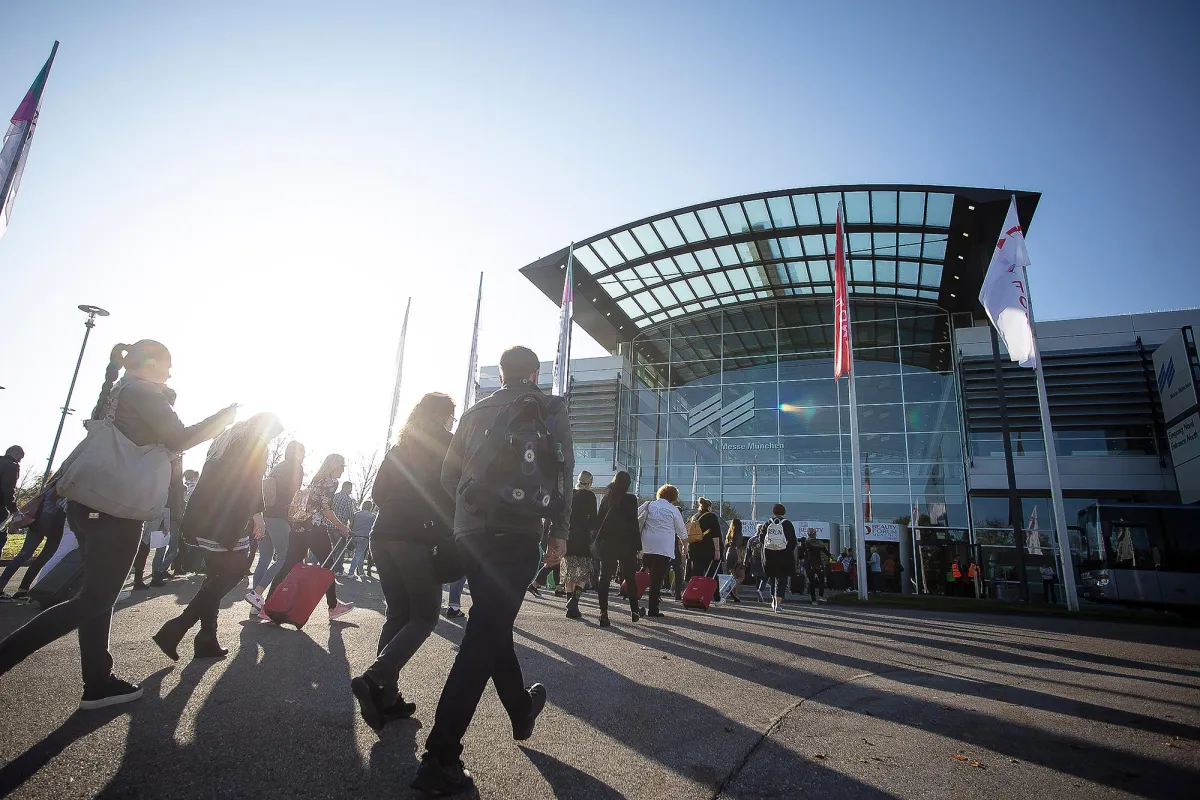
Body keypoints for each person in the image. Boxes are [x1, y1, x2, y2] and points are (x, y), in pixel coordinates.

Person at [0, 341, 235, 709]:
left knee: (98, 596)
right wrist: (223, 417)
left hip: (88, 504)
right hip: (116, 509)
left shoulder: (119, 392)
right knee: (95, 597)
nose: (171, 374)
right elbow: (180, 437)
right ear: (152, 363)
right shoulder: (143, 391)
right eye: (168, 366)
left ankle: (98, 680)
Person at [413, 346, 572, 796]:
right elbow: (564, 471)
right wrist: (559, 533)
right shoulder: (550, 406)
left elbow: (447, 475)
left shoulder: (475, 411)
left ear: (501, 374)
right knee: (484, 634)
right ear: (535, 373)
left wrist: (467, 512)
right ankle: (440, 756)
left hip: (471, 534)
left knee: (491, 624)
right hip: (516, 532)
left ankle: (521, 711)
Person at [352, 392, 456, 731]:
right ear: (444, 416)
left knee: (397, 614)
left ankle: (387, 697)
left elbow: (378, 494)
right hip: (418, 538)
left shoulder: (398, 449)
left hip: (382, 535)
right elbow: (456, 492)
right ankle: (375, 678)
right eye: (451, 416)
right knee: (425, 616)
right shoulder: (449, 446)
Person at [153, 413, 283, 661]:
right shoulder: (255, 442)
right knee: (233, 573)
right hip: (227, 519)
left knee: (215, 576)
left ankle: (206, 638)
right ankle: (178, 627)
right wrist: (258, 515)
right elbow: (251, 480)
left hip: (206, 515)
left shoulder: (226, 439)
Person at [265, 453, 355, 620]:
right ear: (334, 466)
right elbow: (325, 509)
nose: (343, 470)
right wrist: (342, 526)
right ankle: (333, 607)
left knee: (289, 565)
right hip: (315, 529)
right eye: (342, 466)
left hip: (299, 528)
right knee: (328, 564)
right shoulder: (331, 482)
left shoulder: (316, 481)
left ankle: (268, 605)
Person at [246, 439, 305, 613]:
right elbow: (295, 494)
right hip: (280, 517)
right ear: (297, 452)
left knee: (264, 558)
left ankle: (255, 604)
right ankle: (257, 593)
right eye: (303, 452)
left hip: (266, 515)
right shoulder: (296, 467)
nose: (303, 456)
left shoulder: (277, 466)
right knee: (283, 558)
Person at [592, 471, 642, 626]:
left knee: (605, 578)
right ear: (627, 485)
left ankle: (603, 612)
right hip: (626, 544)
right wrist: (638, 546)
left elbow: (598, 521)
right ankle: (634, 610)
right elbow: (634, 524)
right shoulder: (631, 499)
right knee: (630, 577)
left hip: (608, 543)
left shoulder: (607, 499)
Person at [0, 487, 67, 601]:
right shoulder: (66, 485)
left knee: (24, 554)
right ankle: (23, 590)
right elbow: (62, 504)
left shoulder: (52, 484)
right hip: (54, 524)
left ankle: (2, 585)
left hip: (37, 521)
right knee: (44, 557)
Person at [637, 484, 689, 618]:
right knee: (656, 579)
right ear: (673, 497)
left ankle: (633, 600)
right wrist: (685, 547)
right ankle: (653, 610)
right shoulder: (673, 510)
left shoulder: (649, 504)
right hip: (663, 548)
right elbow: (682, 532)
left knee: (644, 574)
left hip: (647, 545)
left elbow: (635, 515)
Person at [562, 471, 597, 619]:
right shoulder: (590, 496)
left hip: (568, 535)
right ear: (589, 483)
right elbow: (594, 519)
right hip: (582, 536)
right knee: (584, 572)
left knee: (569, 571)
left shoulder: (570, 493)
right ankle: (574, 601)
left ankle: (570, 608)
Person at [758, 505, 797, 613]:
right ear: (784, 512)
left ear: (773, 512)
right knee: (782, 580)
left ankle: (773, 602)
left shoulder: (767, 523)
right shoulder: (787, 524)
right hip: (783, 556)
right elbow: (793, 541)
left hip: (769, 556)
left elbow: (761, 539)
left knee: (773, 578)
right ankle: (778, 605)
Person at [686, 498, 723, 605]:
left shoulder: (694, 517)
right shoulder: (711, 516)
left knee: (696, 574)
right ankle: (716, 597)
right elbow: (715, 535)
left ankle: (693, 595)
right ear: (709, 507)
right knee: (712, 573)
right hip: (707, 549)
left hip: (693, 548)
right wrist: (717, 550)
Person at [0, 445, 25, 556]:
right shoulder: (11, 466)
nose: (20, 461)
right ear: (17, 455)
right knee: (1, 538)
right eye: (20, 458)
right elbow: (8, 491)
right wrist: (14, 510)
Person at [348, 500, 377, 578]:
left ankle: (361, 572)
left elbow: (351, 524)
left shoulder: (356, 514)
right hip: (364, 537)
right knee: (358, 555)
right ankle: (351, 573)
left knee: (359, 555)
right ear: (370, 507)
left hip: (354, 536)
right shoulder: (372, 516)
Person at [331, 481, 355, 574]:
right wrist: (351, 526)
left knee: (332, 548)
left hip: (330, 526)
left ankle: (330, 567)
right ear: (347, 487)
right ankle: (338, 569)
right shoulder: (347, 499)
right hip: (340, 527)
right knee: (340, 549)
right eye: (350, 488)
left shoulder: (334, 496)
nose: (351, 491)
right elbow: (350, 515)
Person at [801, 531, 828, 605]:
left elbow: (801, 552)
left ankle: (814, 600)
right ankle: (821, 596)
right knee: (821, 581)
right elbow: (825, 551)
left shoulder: (806, 542)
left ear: (808, 534)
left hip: (809, 564)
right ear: (815, 534)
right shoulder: (819, 542)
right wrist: (832, 557)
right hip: (818, 563)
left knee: (812, 582)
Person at [724, 519, 745, 603]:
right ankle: (730, 588)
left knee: (733, 576)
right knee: (741, 576)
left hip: (728, 553)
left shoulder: (729, 534)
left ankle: (736, 596)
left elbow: (727, 545)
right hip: (735, 554)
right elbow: (737, 547)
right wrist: (739, 558)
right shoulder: (739, 534)